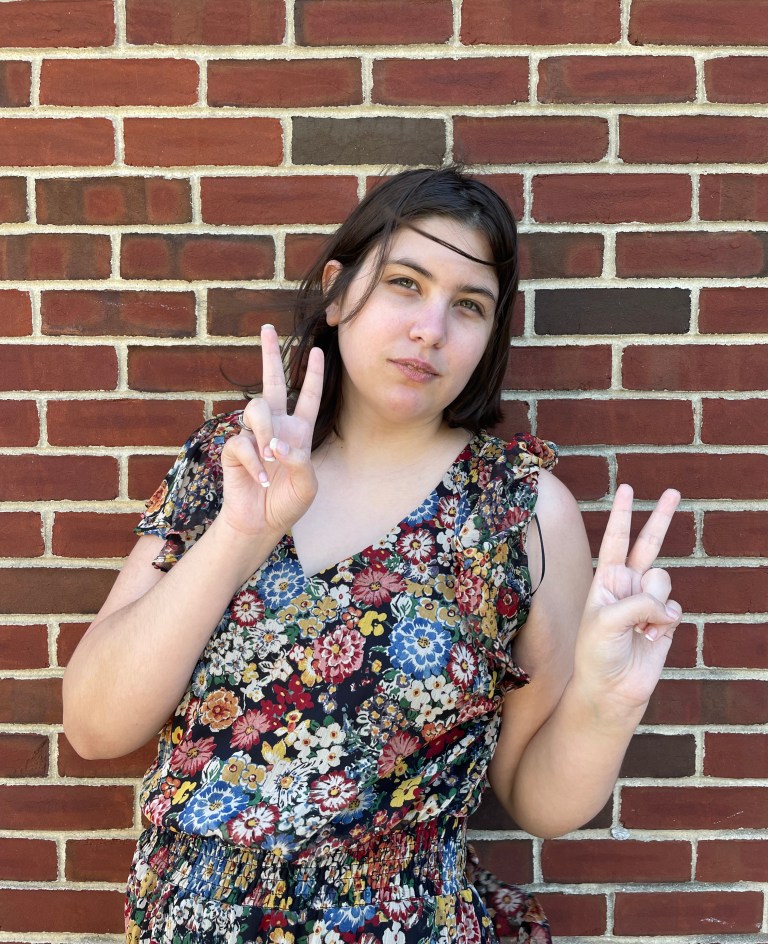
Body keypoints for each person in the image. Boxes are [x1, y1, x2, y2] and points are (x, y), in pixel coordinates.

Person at [63, 166, 682, 944]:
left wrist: (605, 702)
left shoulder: (517, 512)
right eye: (404, 283)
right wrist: (240, 535)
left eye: (468, 305)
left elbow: (536, 798)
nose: (431, 328)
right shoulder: (231, 460)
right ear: (336, 290)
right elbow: (92, 725)